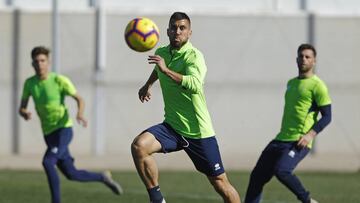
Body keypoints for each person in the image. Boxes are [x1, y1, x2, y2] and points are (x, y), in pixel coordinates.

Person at [131, 12, 241, 203]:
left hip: (198, 133)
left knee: (221, 184)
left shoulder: (194, 56)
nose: (177, 31)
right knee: (139, 146)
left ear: (190, 33)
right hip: (172, 127)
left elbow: (195, 84)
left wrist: (165, 70)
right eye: (173, 27)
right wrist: (148, 85)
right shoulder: (162, 53)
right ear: (167, 31)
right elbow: (158, 68)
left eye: (182, 28)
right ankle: (157, 199)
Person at [19, 46, 123, 203]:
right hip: (48, 134)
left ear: (48, 62)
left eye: (43, 60)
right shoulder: (29, 83)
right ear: (32, 64)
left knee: (48, 162)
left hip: (63, 130)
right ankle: (102, 177)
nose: (40, 64)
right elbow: (22, 107)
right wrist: (24, 112)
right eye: (36, 61)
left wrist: (80, 114)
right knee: (71, 174)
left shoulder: (59, 80)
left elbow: (79, 99)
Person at [244, 44, 332, 203]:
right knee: (257, 177)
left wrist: (309, 135)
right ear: (296, 59)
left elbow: (327, 116)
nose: (303, 59)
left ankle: (308, 200)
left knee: (282, 170)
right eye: (301, 56)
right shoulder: (291, 83)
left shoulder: (318, 86)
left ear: (314, 61)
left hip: (298, 140)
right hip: (280, 138)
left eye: (307, 57)